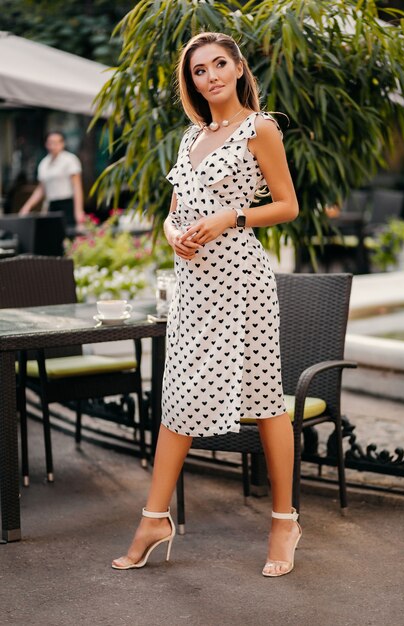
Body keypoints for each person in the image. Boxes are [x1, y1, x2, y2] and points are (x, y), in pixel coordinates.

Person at [112, 32, 300, 578]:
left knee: (265, 400)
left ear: (240, 68)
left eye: (221, 64)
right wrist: (173, 233)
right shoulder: (190, 137)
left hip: (241, 280)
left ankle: (284, 521)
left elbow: (287, 206)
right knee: (179, 394)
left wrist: (231, 218)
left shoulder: (260, 128)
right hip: (193, 284)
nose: (211, 76)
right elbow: (174, 211)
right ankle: (154, 518)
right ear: (191, 80)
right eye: (200, 70)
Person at [19, 131, 85, 228]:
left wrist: (78, 212)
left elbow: (77, 187)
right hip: (52, 206)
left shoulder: (70, 160)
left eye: (56, 142)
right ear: (46, 144)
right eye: (50, 143)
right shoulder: (44, 163)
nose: (53, 146)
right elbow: (41, 189)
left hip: (67, 205)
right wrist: (27, 207)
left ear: (62, 144)